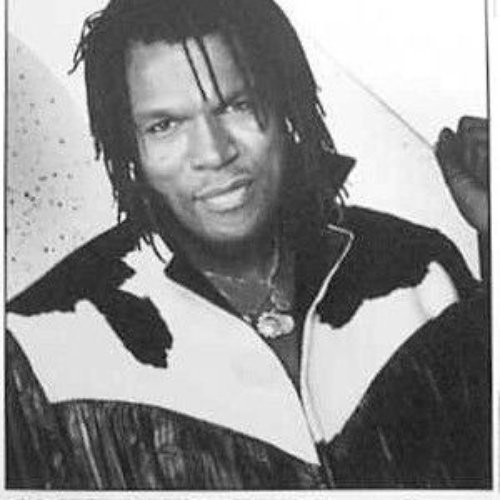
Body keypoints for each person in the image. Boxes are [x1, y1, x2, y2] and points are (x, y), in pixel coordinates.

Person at [6, 0, 490, 490]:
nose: (215, 153)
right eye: (164, 125)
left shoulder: (419, 270)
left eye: (237, 105)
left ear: (286, 104)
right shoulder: (48, 348)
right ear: (129, 148)